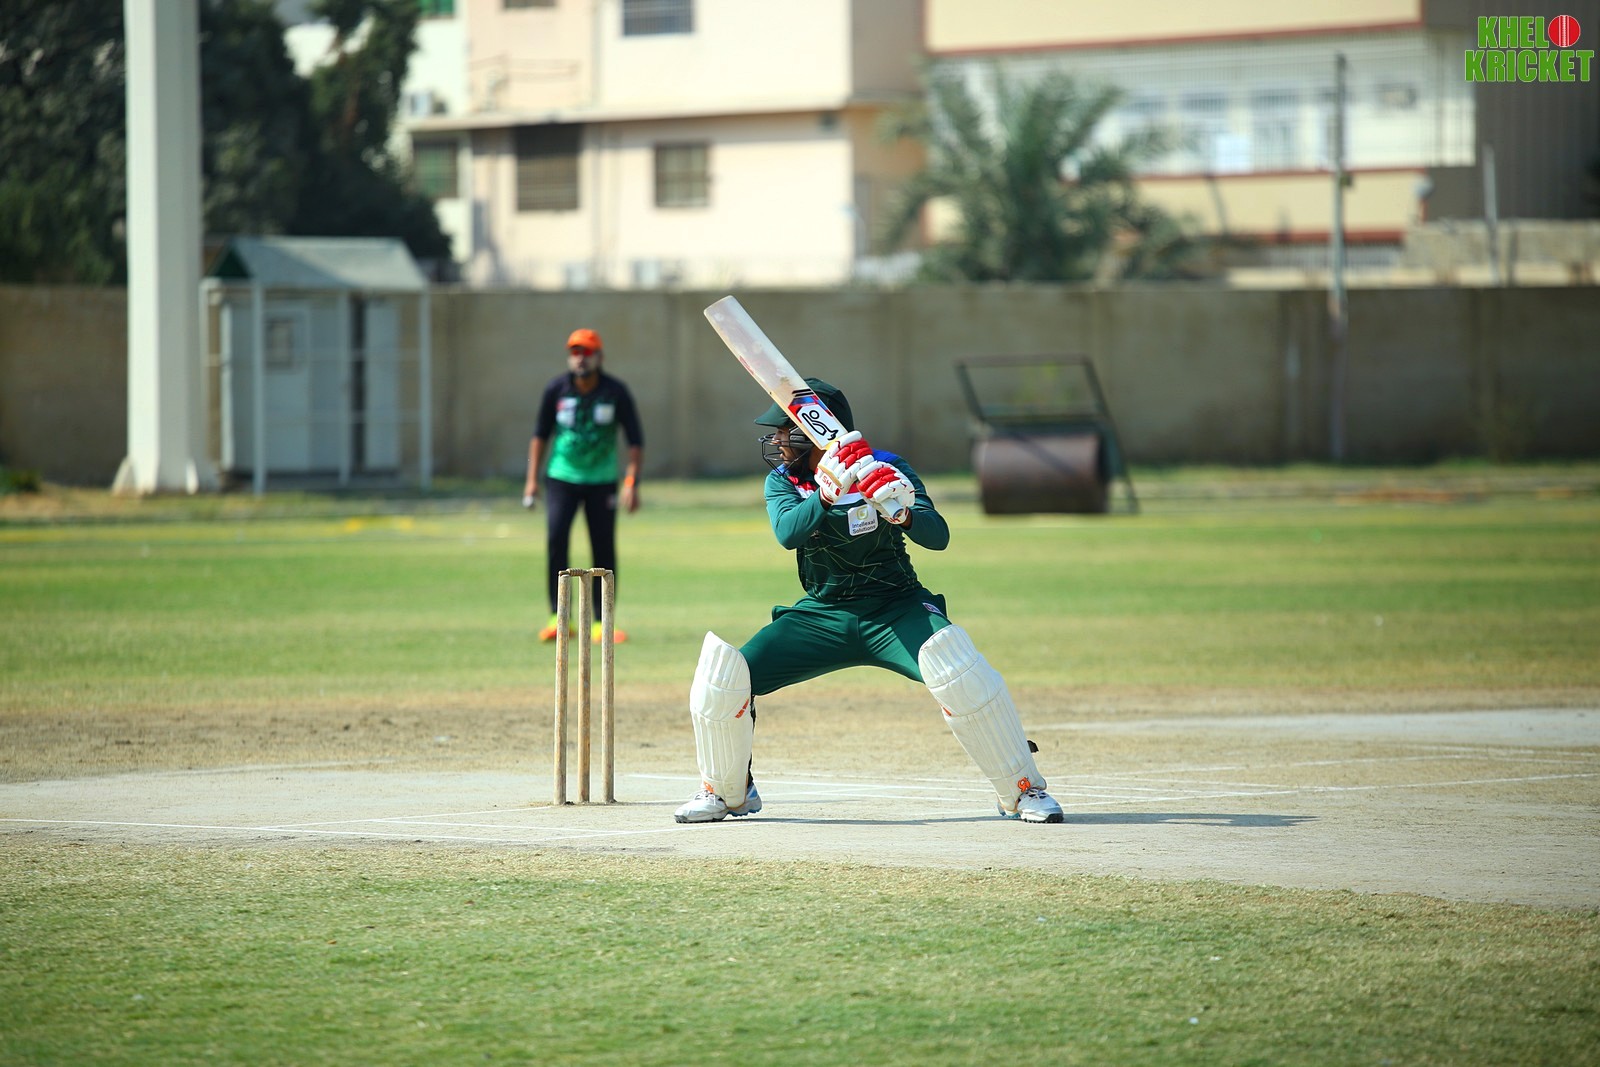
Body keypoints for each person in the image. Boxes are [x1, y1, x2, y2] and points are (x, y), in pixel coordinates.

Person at [673, 378, 1063, 825]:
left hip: (896, 607)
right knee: (725, 677)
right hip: (824, 614)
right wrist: (826, 495)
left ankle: (1022, 790)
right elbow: (788, 533)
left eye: (785, 431)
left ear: (816, 431)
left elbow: (938, 536)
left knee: (957, 666)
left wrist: (902, 512)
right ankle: (727, 792)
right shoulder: (783, 481)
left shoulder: (887, 467)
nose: (777, 441)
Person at [523, 327, 643, 643]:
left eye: (587, 352)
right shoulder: (557, 390)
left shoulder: (615, 391)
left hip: (601, 481)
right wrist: (531, 480)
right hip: (561, 478)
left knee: (603, 549)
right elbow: (540, 435)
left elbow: (635, 440)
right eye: (575, 352)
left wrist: (631, 481)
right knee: (556, 541)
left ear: (599, 357)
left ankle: (602, 623)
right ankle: (558, 618)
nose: (580, 358)